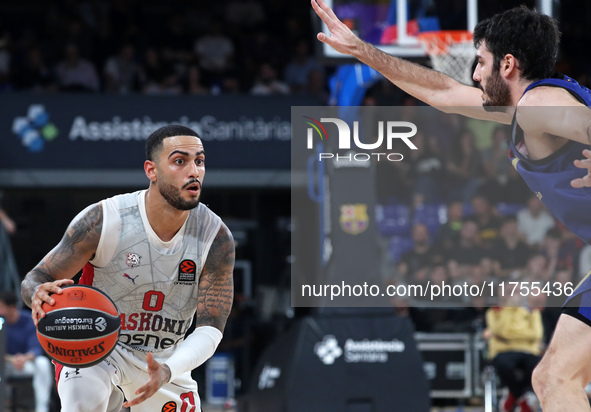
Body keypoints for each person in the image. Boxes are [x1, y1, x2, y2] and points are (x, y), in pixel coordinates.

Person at [311, 1, 591, 410]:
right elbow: (441, 92)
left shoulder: (536, 105)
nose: (475, 73)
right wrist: (361, 49)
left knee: (555, 378)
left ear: (508, 64)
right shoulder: (524, 110)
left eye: (481, 62)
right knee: (553, 377)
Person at [20, 124, 235, 412]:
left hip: (164, 361)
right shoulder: (104, 220)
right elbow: (37, 278)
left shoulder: (216, 236)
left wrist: (170, 369)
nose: (194, 171)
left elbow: (211, 329)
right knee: (82, 401)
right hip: (98, 348)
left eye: (200, 161)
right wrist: (37, 293)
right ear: (151, 170)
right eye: (180, 161)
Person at [484, 295, 543, 412]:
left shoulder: (531, 310)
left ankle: (514, 395)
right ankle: (522, 398)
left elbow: (536, 334)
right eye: (509, 292)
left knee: (538, 366)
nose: (513, 295)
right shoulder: (495, 311)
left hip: (528, 351)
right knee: (504, 365)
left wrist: (509, 336)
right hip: (503, 351)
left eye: (515, 291)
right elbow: (498, 330)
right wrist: (507, 310)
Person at [0, 291, 53, 412]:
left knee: (43, 363)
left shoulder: (29, 319)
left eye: (1, 307)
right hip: (6, 364)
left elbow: (36, 348)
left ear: (11, 307)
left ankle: (42, 408)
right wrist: (9, 359)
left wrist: (23, 358)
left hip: (25, 364)